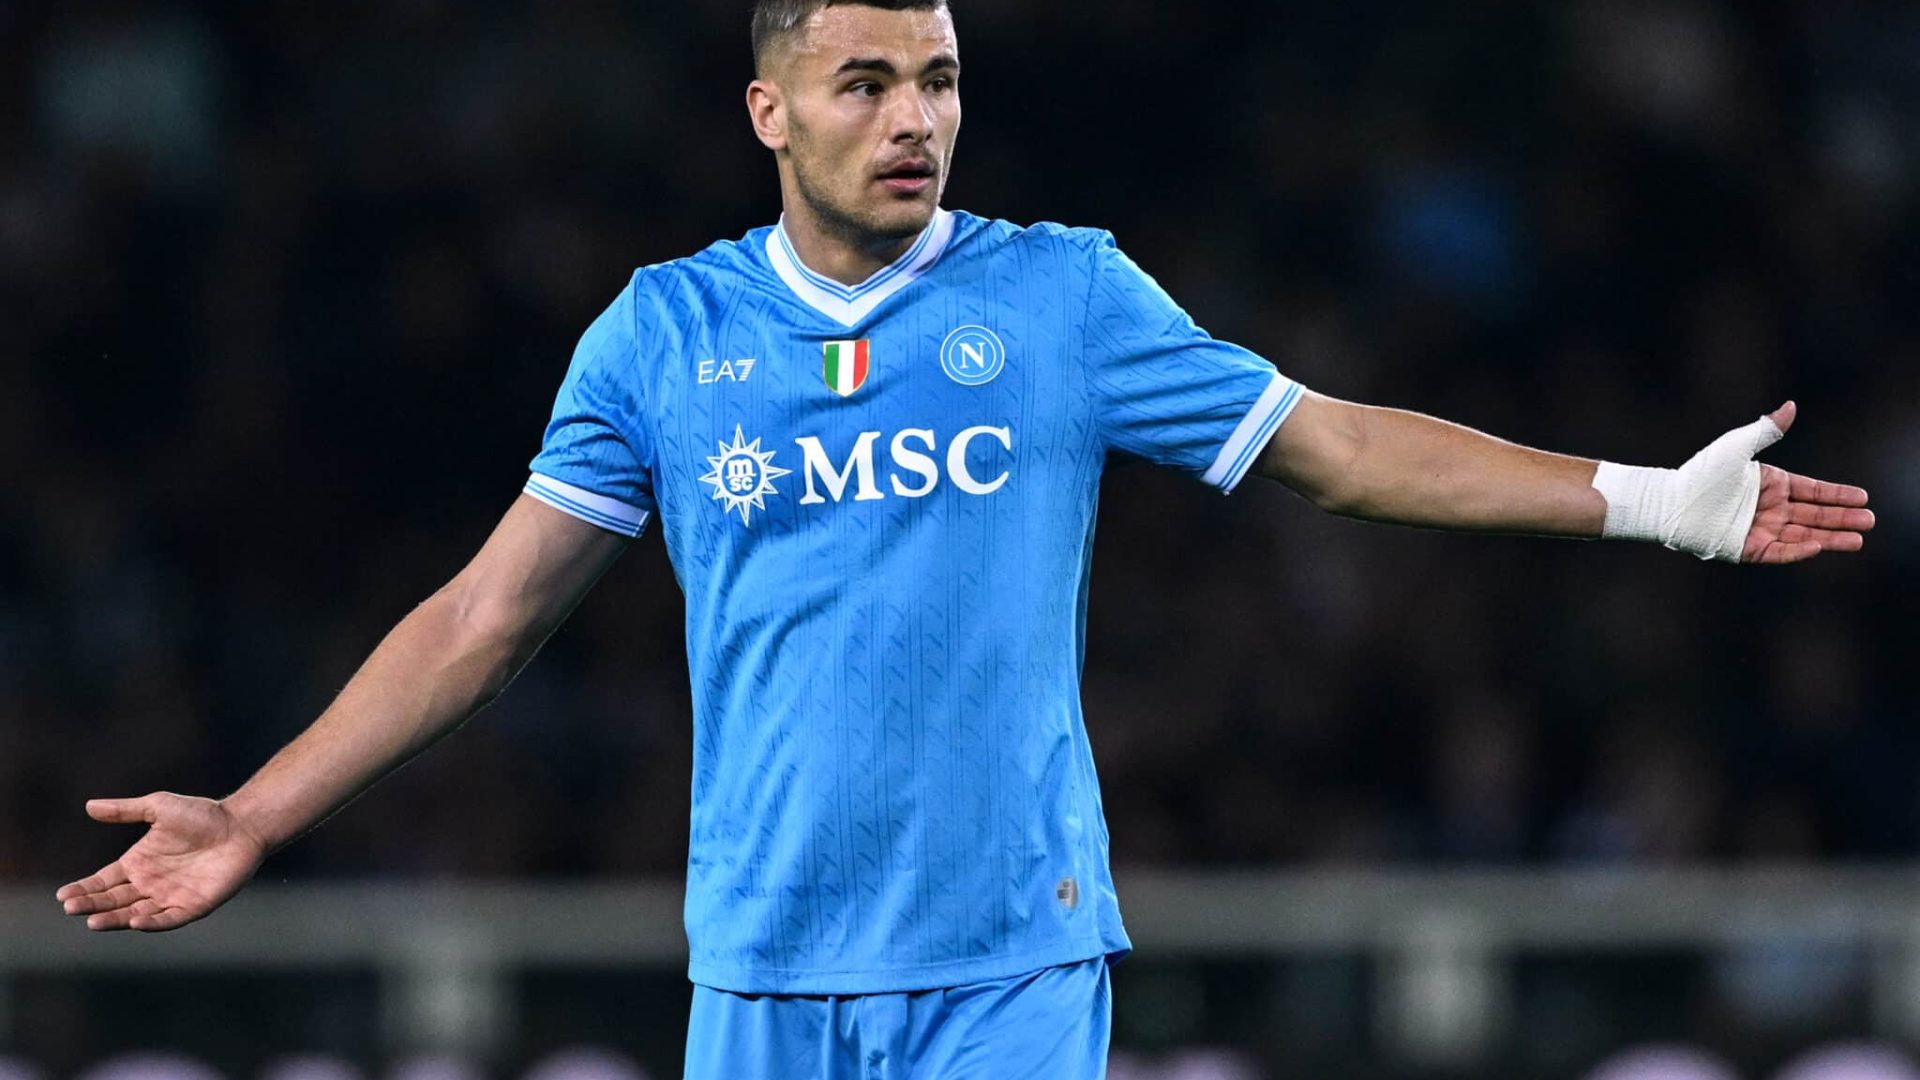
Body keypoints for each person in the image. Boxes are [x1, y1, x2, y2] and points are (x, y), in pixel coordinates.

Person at [56, 1, 1876, 1076]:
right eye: (865, 82)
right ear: (770, 110)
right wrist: (260, 810)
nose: (914, 115)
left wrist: (1654, 503)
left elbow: (1335, 448)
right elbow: (487, 616)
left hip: (1009, 955)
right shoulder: (662, 338)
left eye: (936, 76)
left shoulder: (1067, 300)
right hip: (760, 964)